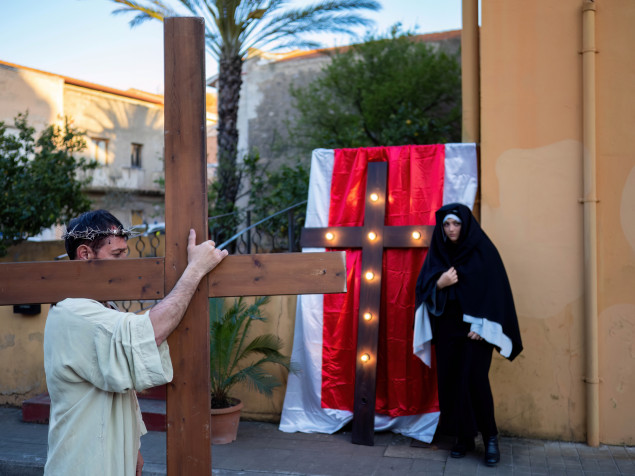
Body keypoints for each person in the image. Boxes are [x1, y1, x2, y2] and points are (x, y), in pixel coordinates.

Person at [43, 210, 228, 475]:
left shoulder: (103, 307)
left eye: (125, 254)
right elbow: (149, 333)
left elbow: (117, 383)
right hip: (82, 464)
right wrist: (195, 270)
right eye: (116, 255)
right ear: (85, 255)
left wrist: (133, 448)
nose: (125, 264)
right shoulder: (73, 312)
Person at [414, 203, 522, 467]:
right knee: (451, 383)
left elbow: (496, 292)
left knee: (475, 381)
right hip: (447, 329)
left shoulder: (483, 250)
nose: (451, 229)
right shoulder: (438, 252)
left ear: (465, 225)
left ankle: (491, 439)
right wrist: (440, 283)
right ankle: (463, 438)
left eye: (456, 223)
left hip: (476, 332)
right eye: (446, 224)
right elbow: (422, 288)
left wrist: (483, 327)